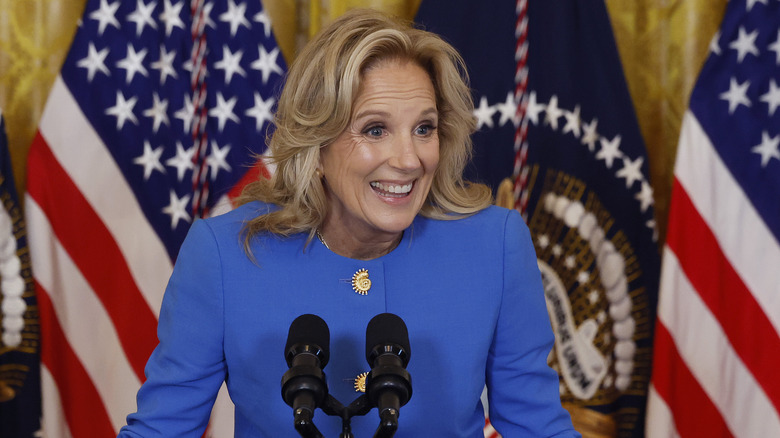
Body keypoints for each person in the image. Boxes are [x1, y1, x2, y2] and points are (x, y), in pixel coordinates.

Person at [119, 8, 579, 438]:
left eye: (424, 128)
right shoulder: (224, 255)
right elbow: (160, 430)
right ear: (316, 146)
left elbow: (539, 427)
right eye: (375, 129)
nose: (409, 159)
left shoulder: (494, 246)